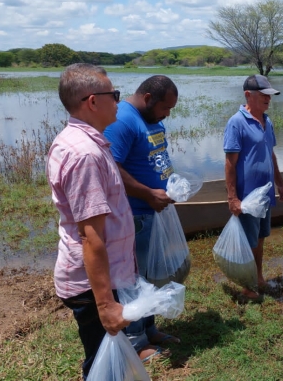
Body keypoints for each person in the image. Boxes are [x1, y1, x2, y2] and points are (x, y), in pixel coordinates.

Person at [46, 63, 135, 378]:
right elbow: (91, 236)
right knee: (101, 366)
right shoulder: (85, 154)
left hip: (102, 277)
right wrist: (106, 305)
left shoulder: (84, 141)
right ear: (92, 101)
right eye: (114, 94)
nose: (119, 101)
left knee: (107, 363)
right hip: (93, 284)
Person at [103, 75, 180, 359]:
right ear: (148, 98)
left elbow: (154, 157)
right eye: (165, 108)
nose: (167, 114)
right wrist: (148, 193)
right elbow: (112, 167)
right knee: (134, 278)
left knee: (151, 275)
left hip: (154, 211)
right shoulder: (124, 119)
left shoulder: (149, 118)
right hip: (135, 214)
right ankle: (136, 341)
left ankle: (149, 328)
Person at [224, 74, 283, 299]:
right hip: (247, 196)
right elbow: (230, 163)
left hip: (265, 194)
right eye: (263, 95)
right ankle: (248, 286)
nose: (268, 100)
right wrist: (233, 198)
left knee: (260, 238)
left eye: (269, 96)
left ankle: (258, 278)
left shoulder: (267, 121)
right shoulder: (237, 122)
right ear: (248, 95)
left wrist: (280, 183)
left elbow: (270, 154)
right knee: (248, 241)